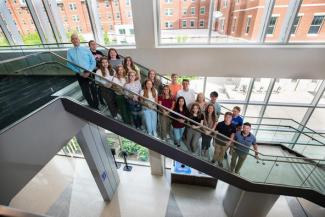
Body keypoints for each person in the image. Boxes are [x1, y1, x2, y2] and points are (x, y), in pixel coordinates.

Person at [67, 33, 98, 109]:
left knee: (93, 90)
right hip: (79, 74)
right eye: (73, 39)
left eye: (76, 38)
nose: (75, 40)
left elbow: (93, 61)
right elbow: (69, 64)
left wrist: (89, 71)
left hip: (89, 72)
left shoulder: (86, 49)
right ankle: (91, 106)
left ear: (79, 40)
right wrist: (79, 72)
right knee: (85, 92)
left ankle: (96, 106)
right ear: (71, 41)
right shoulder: (69, 51)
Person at [89, 40, 105, 106]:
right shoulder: (88, 53)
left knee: (101, 87)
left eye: (95, 44)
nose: (94, 45)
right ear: (89, 46)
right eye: (92, 44)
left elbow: (104, 60)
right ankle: (97, 102)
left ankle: (102, 100)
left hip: (101, 71)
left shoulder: (99, 52)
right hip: (93, 73)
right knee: (96, 87)